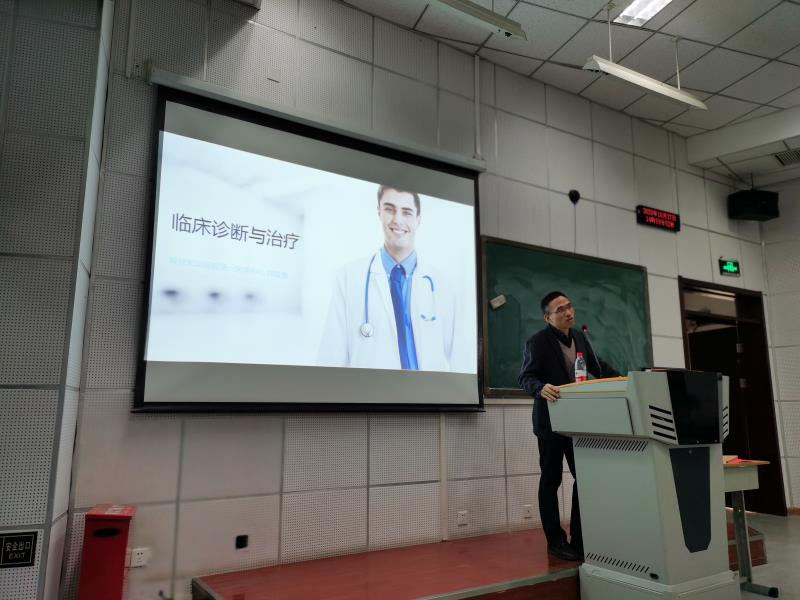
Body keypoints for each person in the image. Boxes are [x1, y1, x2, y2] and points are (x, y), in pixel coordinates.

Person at [317, 185, 470, 372]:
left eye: (407, 212)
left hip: (429, 390)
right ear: (379, 213)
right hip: (371, 390)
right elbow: (330, 360)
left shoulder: (443, 284)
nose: (397, 220)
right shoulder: (348, 278)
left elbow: (461, 360)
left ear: (418, 219)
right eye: (389, 209)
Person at [518, 291, 618, 561]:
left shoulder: (580, 337)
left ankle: (580, 539)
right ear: (548, 318)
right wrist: (540, 388)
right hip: (550, 424)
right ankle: (555, 540)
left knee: (583, 479)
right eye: (560, 309)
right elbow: (526, 377)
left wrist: (625, 379)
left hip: (577, 423)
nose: (568, 312)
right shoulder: (537, 342)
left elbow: (598, 367)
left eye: (569, 306)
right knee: (551, 481)